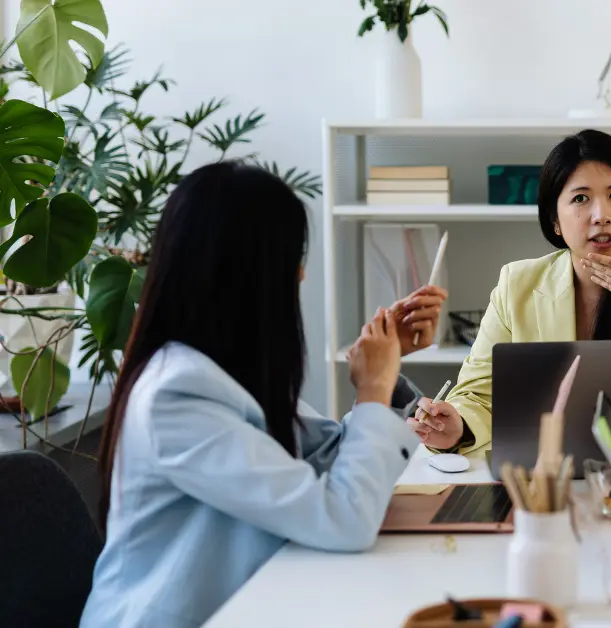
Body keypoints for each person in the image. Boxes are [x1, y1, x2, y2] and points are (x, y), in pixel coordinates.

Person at [80, 163, 446, 628]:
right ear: (244, 269)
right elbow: (343, 517)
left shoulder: (221, 368)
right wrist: (372, 389)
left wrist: (384, 375)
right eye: (291, 257)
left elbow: (323, 462)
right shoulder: (176, 394)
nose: (299, 276)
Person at [408, 129, 611, 453]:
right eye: (581, 198)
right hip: (542, 478)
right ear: (555, 220)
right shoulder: (518, 284)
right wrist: (458, 427)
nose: (603, 215)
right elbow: (479, 394)